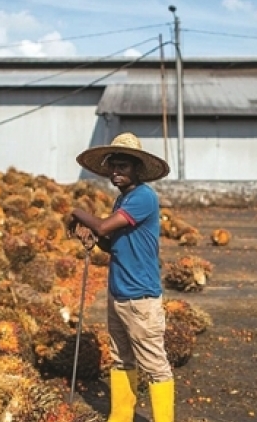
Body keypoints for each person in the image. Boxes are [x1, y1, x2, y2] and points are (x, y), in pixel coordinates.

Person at [68, 132, 173, 422]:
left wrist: (77, 212)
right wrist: (89, 238)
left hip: (141, 297)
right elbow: (110, 241)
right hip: (119, 293)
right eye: (113, 166)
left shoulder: (143, 198)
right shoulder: (122, 200)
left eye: (123, 167)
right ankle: (121, 416)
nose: (116, 172)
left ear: (137, 169)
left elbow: (102, 226)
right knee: (121, 358)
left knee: (155, 365)